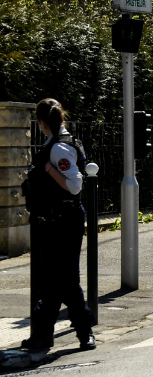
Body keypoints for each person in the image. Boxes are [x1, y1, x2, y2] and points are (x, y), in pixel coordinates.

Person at [21, 98, 94, 352]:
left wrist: (50, 170)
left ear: (41, 123)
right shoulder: (61, 142)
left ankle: (75, 332)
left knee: (59, 279)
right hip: (59, 219)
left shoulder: (58, 150)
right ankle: (53, 335)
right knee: (57, 279)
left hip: (63, 220)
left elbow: (75, 185)